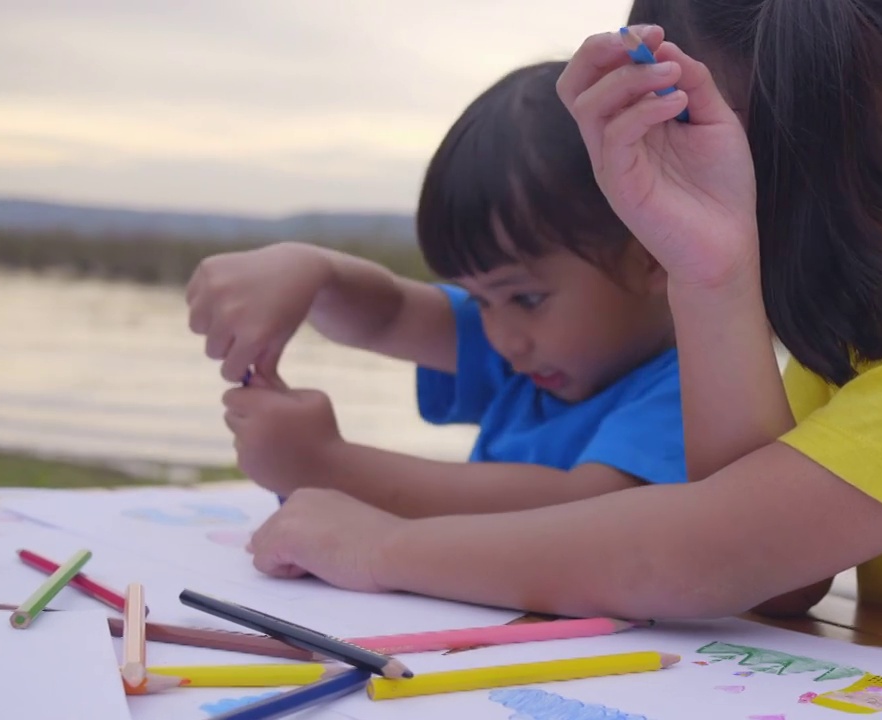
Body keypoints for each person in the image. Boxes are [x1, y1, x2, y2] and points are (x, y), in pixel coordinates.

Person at [244, 1, 882, 694]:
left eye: (713, 156)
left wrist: (376, 547)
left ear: (835, 135)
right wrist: (709, 270)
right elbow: (774, 585)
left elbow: (706, 555)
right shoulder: (868, 319)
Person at [185, 61, 686, 519]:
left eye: (526, 298)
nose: (505, 339)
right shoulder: (538, 361)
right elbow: (391, 315)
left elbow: (587, 514)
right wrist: (310, 273)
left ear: (651, 255)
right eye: (481, 301)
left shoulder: (694, 390)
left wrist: (327, 465)